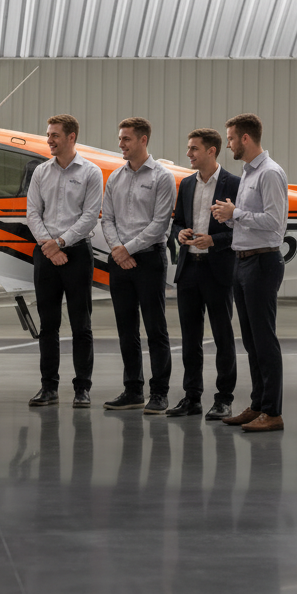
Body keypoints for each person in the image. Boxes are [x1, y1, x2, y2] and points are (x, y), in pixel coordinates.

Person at [211, 113, 288, 432]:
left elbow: (275, 223)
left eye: (229, 139)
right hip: (243, 261)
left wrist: (236, 212)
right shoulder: (249, 173)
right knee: (252, 341)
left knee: (264, 339)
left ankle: (272, 412)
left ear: (245, 138)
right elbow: (248, 218)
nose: (227, 144)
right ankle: (258, 405)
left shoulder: (270, 173)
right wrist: (228, 218)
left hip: (262, 262)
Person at [25, 114, 103, 408]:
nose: (49, 140)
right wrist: (49, 245)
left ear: (71, 137)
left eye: (55, 135)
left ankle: (82, 388)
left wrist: (60, 243)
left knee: (81, 324)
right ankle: (49, 388)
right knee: (48, 325)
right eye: (48, 134)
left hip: (77, 253)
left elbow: (89, 216)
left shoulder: (91, 173)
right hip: (46, 254)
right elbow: (33, 213)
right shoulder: (41, 172)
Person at [100, 118, 177, 414]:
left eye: (126, 139)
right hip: (121, 260)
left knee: (155, 328)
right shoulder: (116, 178)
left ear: (143, 140)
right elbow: (106, 219)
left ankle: (159, 393)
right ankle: (133, 390)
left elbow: (159, 225)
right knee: (126, 328)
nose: (120, 144)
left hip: (149, 260)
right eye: (120, 139)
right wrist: (118, 251)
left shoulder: (162, 177)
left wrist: (125, 249)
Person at [167, 128, 240, 419]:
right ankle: (191, 397)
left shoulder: (234, 184)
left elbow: (242, 228)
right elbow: (177, 221)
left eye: (194, 149)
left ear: (211, 151)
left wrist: (214, 240)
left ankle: (223, 399)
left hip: (218, 271)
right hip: (189, 270)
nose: (188, 154)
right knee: (190, 338)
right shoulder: (186, 184)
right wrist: (180, 232)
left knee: (223, 336)